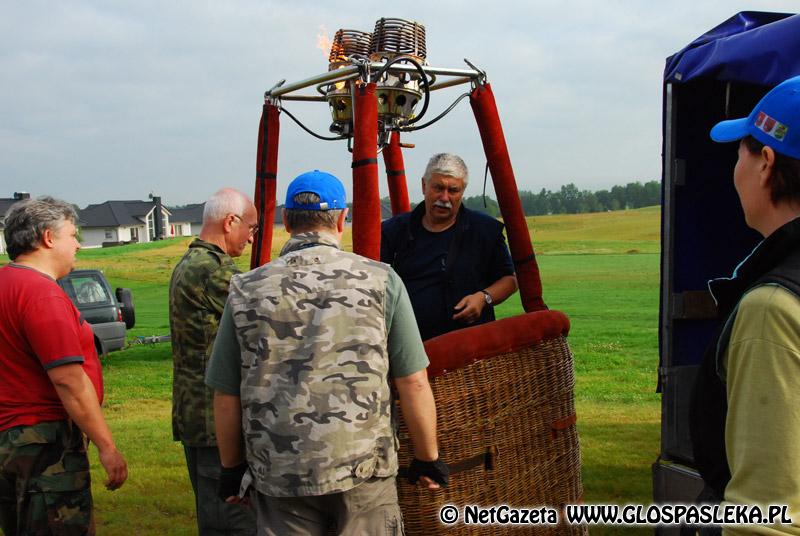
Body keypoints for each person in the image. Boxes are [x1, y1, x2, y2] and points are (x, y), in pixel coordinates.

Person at [206, 170, 448, 536]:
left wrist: (230, 469)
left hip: (280, 474)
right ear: (341, 219)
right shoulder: (382, 281)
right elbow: (413, 381)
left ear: (286, 220)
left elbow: (226, 393)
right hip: (363, 469)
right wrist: (428, 458)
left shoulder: (245, 289)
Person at [690, 75, 800, 534]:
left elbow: (769, 516)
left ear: (766, 163)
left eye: (741, 151)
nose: (734, 167)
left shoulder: (772, 307)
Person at [0, 196, 127, 535]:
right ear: (48, 237)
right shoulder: (42, 295)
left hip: (10, 441)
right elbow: (69, 380)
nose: (78, 246)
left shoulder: (5, 283)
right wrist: (107, 446)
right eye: (73, 235)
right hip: (45, 443)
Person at [169, 188, 258, 535]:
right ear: (230, 221)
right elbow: (264, 316)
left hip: (198, 415)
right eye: (250, 228)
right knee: (232, 518)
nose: (251, 238)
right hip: (213, 420)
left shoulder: (191, 262)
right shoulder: (211, 270)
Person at [381, 153, 518, 341]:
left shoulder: (485, 231)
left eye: (453, 190)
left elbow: (509, 280)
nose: (444, 198)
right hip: (411, 348)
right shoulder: (393, 232)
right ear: (424, 186)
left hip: (472, 347)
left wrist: (483, 298)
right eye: (438, 188)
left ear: (462, 191)